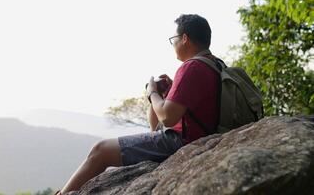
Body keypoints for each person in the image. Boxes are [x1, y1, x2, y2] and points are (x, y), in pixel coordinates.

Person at [54, 14, 220, 195]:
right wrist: (169, 92)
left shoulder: (191, 67)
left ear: (185, 38)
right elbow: (157, 126)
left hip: (183, 141)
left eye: (174, 39)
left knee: (100, 150)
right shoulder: (215, 65)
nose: (173, 44)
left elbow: (168, 117)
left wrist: (152, 92)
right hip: (203, 136)